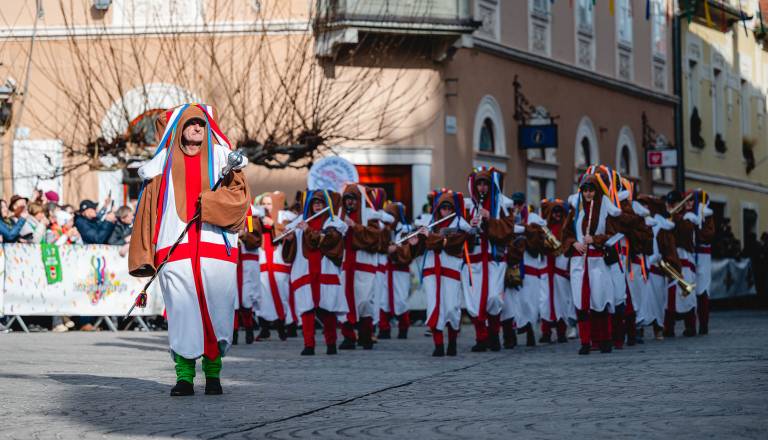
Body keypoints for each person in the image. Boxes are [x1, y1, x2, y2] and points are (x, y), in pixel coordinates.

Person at [129, 104, 250, 396]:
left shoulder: (222, 157)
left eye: (202, 123)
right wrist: (145, 253)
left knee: (216, 312)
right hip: (175, 249)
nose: (197, 127)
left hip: (215, 248)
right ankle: (184, 377)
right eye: (191, 123)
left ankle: (213, 375)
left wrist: (211, 204)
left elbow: (241, 198)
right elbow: (147, 211)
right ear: (179, 127)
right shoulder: (162, 162)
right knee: (182, 313)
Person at [281, 190, 348, 356]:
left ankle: (331, 343)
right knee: (307, 310)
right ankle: (308, 345)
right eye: (314, 203)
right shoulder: (299, 222)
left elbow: (327, 241)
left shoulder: (334, 222)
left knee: (328, 309)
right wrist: (289, 240)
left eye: (320, 202)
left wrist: (307, 229)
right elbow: (290, 251)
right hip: (305, 271)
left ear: (326, 204)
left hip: (325, 270)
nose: (317, 206)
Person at [566, 172, 622, 354]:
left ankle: (604, 340)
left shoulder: (604, 209)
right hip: (579, 262)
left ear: (596, 191)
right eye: (585, 190)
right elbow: (566, 234)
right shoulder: (576, 210)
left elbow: (613, 234)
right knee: (582, 302)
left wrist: (596, 239)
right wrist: (574, 243)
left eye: (591, 190)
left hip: (598, 262)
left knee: (600, 300)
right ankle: (585, 342)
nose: (588, 193)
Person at [416, 190, 470, 357]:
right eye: (442, 208)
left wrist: (430, 236)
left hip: (450, 271)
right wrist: (415, 240)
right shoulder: (431, 224)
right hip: (432, 272)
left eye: (448, 208)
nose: (445, 212)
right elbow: (422, 248)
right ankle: (438, 345)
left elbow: (450, 243)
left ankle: (452, 343)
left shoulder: (459, 225)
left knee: (452, 308)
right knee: (434, 307)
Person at [464, 167, 510, 352]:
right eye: (479, 184)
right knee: (475, 302)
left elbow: (508, 229)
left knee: (493, 298)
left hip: (494, 260)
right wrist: (470, 227)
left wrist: (490, 218)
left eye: (485, 184)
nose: (482, 188)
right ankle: (481, 338)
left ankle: (494, 334)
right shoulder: (468, 207)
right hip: (474, 261)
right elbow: (459, 234)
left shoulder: (500, 206)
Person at [338, 184, 381, 350]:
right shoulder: (339, 215)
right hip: (345, 265)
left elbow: (375, 237)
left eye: (353, 199)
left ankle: (365, 336)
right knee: (344, 301)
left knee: (364, 301)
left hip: (364, 265)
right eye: (347, 199)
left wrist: (354, 226)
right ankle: (348, 337)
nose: (350, 202)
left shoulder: (370, 214)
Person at [254, 191, 297, 341]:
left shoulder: (284, 216)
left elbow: (293, 229)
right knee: (261, 297)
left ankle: (283, 326)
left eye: (269, 203)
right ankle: (264, 328)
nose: (266, 206)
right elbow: (248, 230)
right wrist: (252, 221)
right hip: (263, 262)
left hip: (279, 262)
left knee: (282, 294)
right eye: (264, 204)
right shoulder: (256, 217)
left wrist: (274, 225)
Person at [538, 199, 575, 344]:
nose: (557, 214)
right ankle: (546, 332)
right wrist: (543, 244)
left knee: (562, 301)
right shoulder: (544, 228)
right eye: (555, 212)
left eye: (560, 211)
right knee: (545, 301)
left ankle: (561, 332)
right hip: (546, 269)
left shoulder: (566, 228)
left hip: (560, 270)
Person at [378, 201, 415, 339]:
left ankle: (403, 328)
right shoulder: (384, 229)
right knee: (383, 299)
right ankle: (384, 329)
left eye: (392, 215)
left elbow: (409, 252)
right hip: (385, 269)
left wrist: (396, 250)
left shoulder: (406, 231)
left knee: (400, 299)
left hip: (400, 270)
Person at [663, 190, 698, 338]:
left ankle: (690, 326)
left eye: (675, 204)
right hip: (670, 259)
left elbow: (687, 234)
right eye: (670, 204)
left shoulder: (688, 218)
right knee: (669, 294)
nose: (672, 206)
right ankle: (668, 327)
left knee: (686, 295)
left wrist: (675, 217)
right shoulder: (666, 217)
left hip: (684, 260)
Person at [233, 203, 262, 345]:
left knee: (246, 298)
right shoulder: (227, 215)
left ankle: (249, 329)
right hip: (233, 264)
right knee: (232, 300)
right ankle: (233, 332)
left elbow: (253, 238)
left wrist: (244, 235)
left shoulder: (250, 218)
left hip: (246, 266)